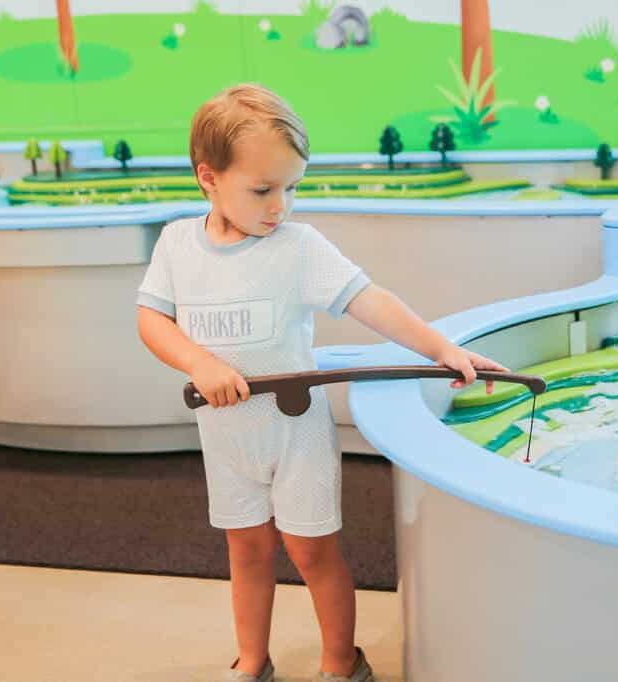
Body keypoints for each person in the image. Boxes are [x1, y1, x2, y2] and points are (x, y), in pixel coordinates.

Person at [136, 83, 504, 682]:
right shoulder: (178, 244)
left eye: (292, 187)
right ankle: (252, 660)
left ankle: (342, 661)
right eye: (263, 189)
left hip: (295, 435)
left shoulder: (298, 247)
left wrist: (442, 349)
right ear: (208, 177)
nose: (280, 205)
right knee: (247, 552)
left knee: (311, 552)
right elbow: (151, 320)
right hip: (227, 440)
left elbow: (371, 302)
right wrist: (198, 363)